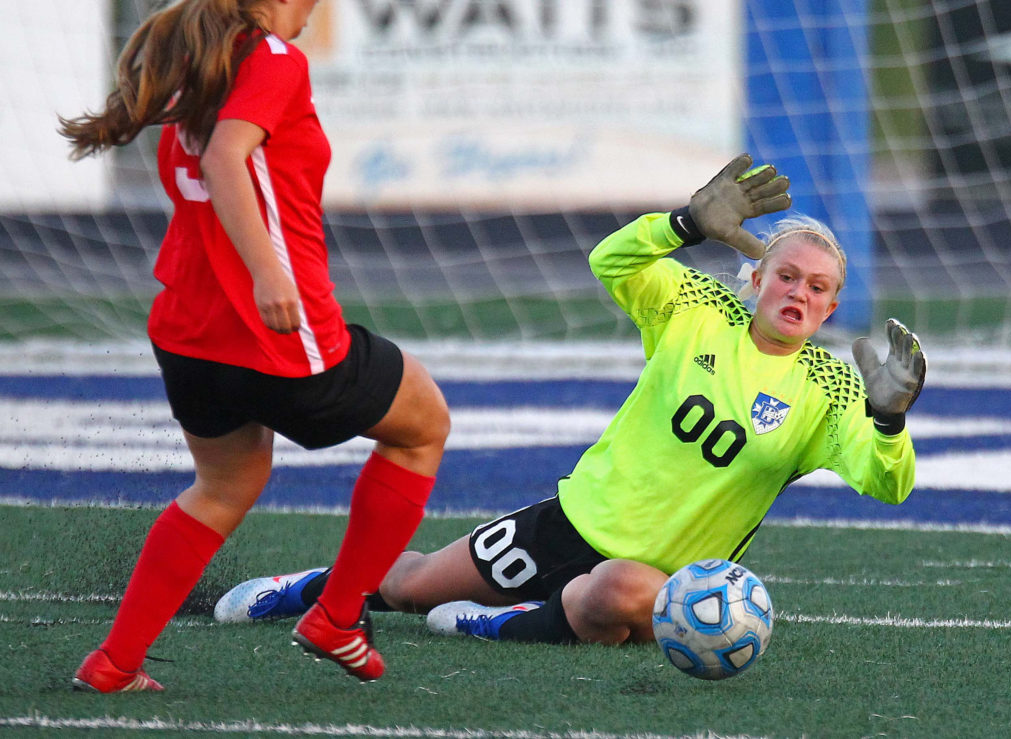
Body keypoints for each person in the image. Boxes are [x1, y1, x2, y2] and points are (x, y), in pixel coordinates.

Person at [213, 155, 926, 647]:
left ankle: (502, 623)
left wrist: (888, 417)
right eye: (787, 274)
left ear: (832, 306)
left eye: (817, 286)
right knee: (408, 583)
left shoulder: (831, 388)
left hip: (664, 580)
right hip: (571, 518)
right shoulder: (696, 306)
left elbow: (885, 481)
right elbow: (609, 261)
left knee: (610, 596)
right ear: (756, 277)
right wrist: (682, 224)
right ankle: (312, 587)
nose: (799, 292)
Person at [57, 0, 449, 691]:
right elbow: (232, 156)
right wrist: (271, 273)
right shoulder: (269, 58)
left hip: (187, 334)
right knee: (423, 425)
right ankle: (337, 616)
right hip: (275, 330)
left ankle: (114, 662)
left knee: (225, 485)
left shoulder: (199, 55)